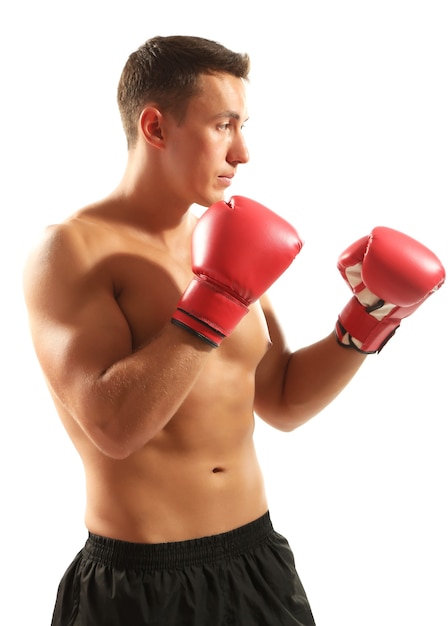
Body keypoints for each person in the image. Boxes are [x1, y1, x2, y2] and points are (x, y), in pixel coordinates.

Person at [22, 35, 445, 626]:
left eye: (243, 125)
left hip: (257, 563)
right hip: (138, 586)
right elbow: (114, 428)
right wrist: (216, 299)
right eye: (223, 125)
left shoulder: (221, 238)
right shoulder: (70, 250)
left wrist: (367, 319)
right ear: (155, 127)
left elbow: (281, 400)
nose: (243, 152)